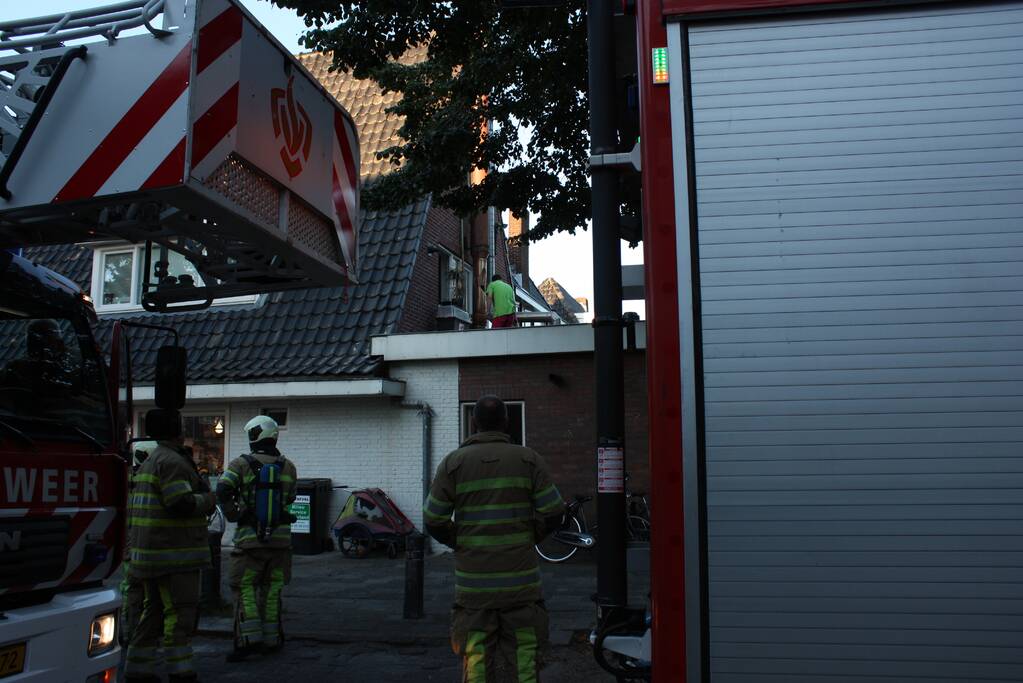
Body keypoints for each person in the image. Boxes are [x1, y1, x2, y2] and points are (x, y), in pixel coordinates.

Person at [424, 395, 565, 682]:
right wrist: (530, 537)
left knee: (476, 660)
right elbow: (554, 512)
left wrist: (461, 541)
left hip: (475, 589)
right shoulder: (528, 460)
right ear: (506, 421)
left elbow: (433, 519)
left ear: (474, 423)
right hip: (521, 587)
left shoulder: (454, 463)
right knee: (525, 657)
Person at [124, 411, 216, 683]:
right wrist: (208, 500)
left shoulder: (151, 461)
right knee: (180, 612)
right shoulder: (173, 461)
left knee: (151, 612)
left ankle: (138, 669)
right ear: (177, 431)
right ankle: (180, 671)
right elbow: (180, 503)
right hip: (174, 556)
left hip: (151, 555)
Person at [216, 415, 298, 661]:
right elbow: (291, 498)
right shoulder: (289, 466)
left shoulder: (240, 464)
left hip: (250, 542)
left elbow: (222, 489)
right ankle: (272, 640)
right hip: (281, 542)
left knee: (245, 588)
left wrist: (235, 514)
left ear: (254, 436)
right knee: (272, 591)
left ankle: (248, 641)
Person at [120, 440, 158, 648]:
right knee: (140, 591)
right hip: (143, 545)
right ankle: (136, 631)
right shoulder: (149, 480)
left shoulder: (126, 479)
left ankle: (129, 630)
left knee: (130, 589)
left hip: (129, 544)